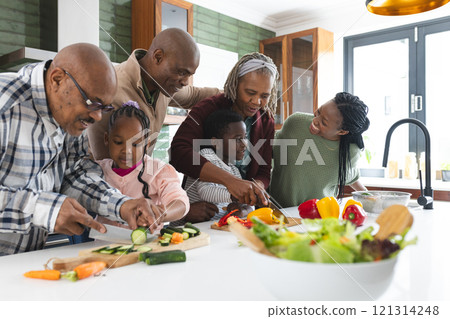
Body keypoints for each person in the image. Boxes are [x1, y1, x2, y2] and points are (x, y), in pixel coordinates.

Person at [0, 43, 159, 256]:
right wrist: (44, 209)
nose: (97, 117)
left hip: (24, 262)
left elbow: (76, 175)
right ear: (57, 79)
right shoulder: (5, 105)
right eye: (93, 103)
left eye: (104, 108)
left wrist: (121, 205)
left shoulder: (72, 116)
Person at [170, 52, 279, 223]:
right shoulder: (209, 108)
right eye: (250, 92)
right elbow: (178, 152)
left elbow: (264, 172)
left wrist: (252, 192)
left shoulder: (266, 120)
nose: (257, 101)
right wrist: (232, 183)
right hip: (199, 209)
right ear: (235, 84)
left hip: (230, 212)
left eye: (264, 96)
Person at [87, 27, 220, 160]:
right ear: (158, 57)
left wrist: (234, 92)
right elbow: (103, 164)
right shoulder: (110, 91)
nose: (185, 82)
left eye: (189, 75)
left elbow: (194, 96)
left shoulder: (164, 85)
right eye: (181, 72)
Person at [96, 101, 189, 228]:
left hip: (149, 244)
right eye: (118, 142)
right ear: (107, 139)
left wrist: (160, 214)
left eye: (135, 144)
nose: (126, 151)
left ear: (147, 143)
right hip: (102, 245)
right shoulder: (96, 170)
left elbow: (180, 202)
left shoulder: (157, 170)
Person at [269, 92, 370, 207]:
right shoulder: (296, 124)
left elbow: (350, 176)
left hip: (321, 215)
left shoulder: (350, 151)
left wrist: (369, 198)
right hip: (279, 212)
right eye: (318, 112)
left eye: (323, 122)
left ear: (342, 132)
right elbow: (267, 151)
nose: (315, 120)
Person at [174, 109, 252, 224]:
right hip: (184, 228)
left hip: (212, 228)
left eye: (245, 137)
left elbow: (247, 206)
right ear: (216, 143)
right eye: (238, 139)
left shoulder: (234, 170)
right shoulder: (206, 156)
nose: (244, 144)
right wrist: (236, 196)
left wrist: (241, 210)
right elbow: (205, 191)